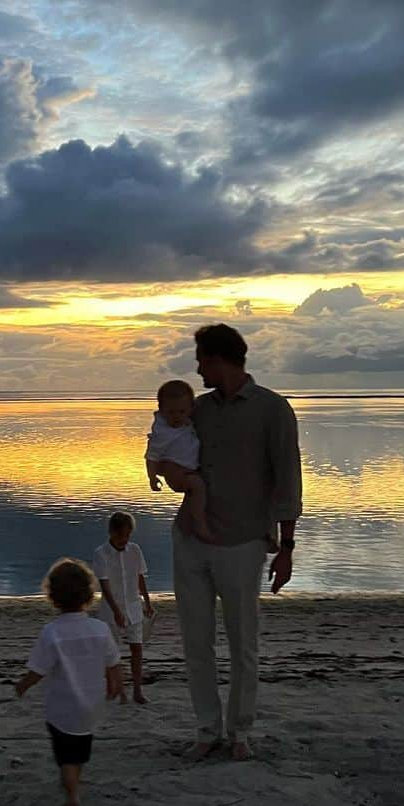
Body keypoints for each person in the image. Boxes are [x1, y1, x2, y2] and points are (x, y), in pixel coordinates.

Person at [173, 324, 302, 764]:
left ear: (218, 359)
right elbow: (173, 453)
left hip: (244, 540)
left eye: (200, 359)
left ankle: (240, 730)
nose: (196, 368)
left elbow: (288, 478)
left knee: (243, 641)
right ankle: (207, 729)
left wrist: (286, 546)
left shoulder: (272, 409)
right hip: (191, 537)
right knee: (196, 641)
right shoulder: (199, 410)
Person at [15, 558, 123, 806]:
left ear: (53, 596)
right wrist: (116, 684)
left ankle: (72, 794)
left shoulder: (51, 633)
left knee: (65, 756)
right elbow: (114, 662)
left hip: (61, 709)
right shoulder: (100, 629)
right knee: (80, 749)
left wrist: (22, 686)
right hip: (91, 707)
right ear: (88, 594)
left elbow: (38, 670)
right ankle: (75, 778)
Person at [93, 511, 153, 705]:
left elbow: (139, 577)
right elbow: (105, 586)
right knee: (113, 652)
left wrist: (147, 602)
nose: (124, 540)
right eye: (120, 536)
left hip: (134, 607)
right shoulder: (101, 554)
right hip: (112, 610)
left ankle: (137, 690)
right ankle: (119, 690)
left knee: (137, 649)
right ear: (111, 532)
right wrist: (116, 611)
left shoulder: (134, 550)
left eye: (127, 535)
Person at [145, 378, 214, 541]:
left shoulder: (187, 424)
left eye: (181, 412)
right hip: (178, 473)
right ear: (161, 410)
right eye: (171, 412)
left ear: (190, 409)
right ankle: (199, 524)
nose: (176, 416)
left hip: (190, 469)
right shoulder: (162, 432)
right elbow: (152, 456)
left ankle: (198, 518)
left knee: (202, 485)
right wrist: (152, 477)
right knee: (197, 486)